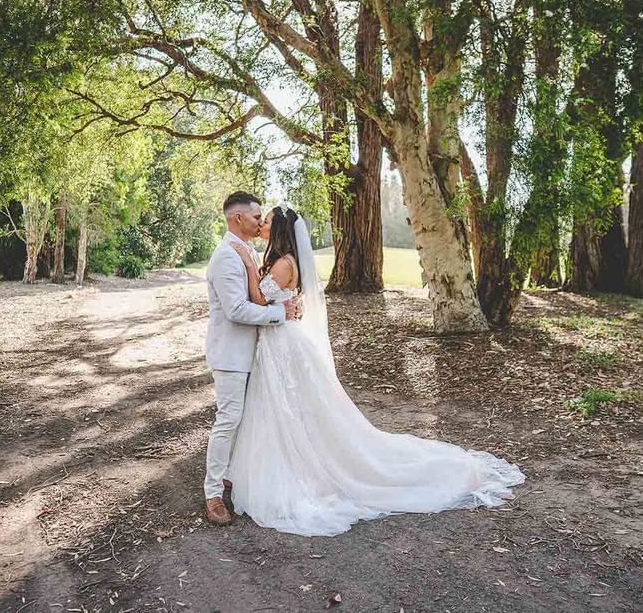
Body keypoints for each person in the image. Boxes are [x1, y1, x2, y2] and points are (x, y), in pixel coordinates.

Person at [224, 202, 525, 536]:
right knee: (285, 410)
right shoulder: (281, 261)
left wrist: (251, 269)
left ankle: (304, 470)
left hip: (282, 345)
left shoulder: (283, 264)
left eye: (265, 221)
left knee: (292, 409)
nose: (262, 224)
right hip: (278, 342)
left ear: (278, 229)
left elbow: (257, 301)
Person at [203, 192, 299, 525]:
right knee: (228, 420)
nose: (261, 222)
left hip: (255, 353)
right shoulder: (226, 256)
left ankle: (230, 473)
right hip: (231, 353)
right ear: (237, 219)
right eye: (257, 216)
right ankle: (212, 494)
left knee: (244, 420)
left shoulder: (247, 249)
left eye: (264, 218)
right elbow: (236, 310)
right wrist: (280, 312)